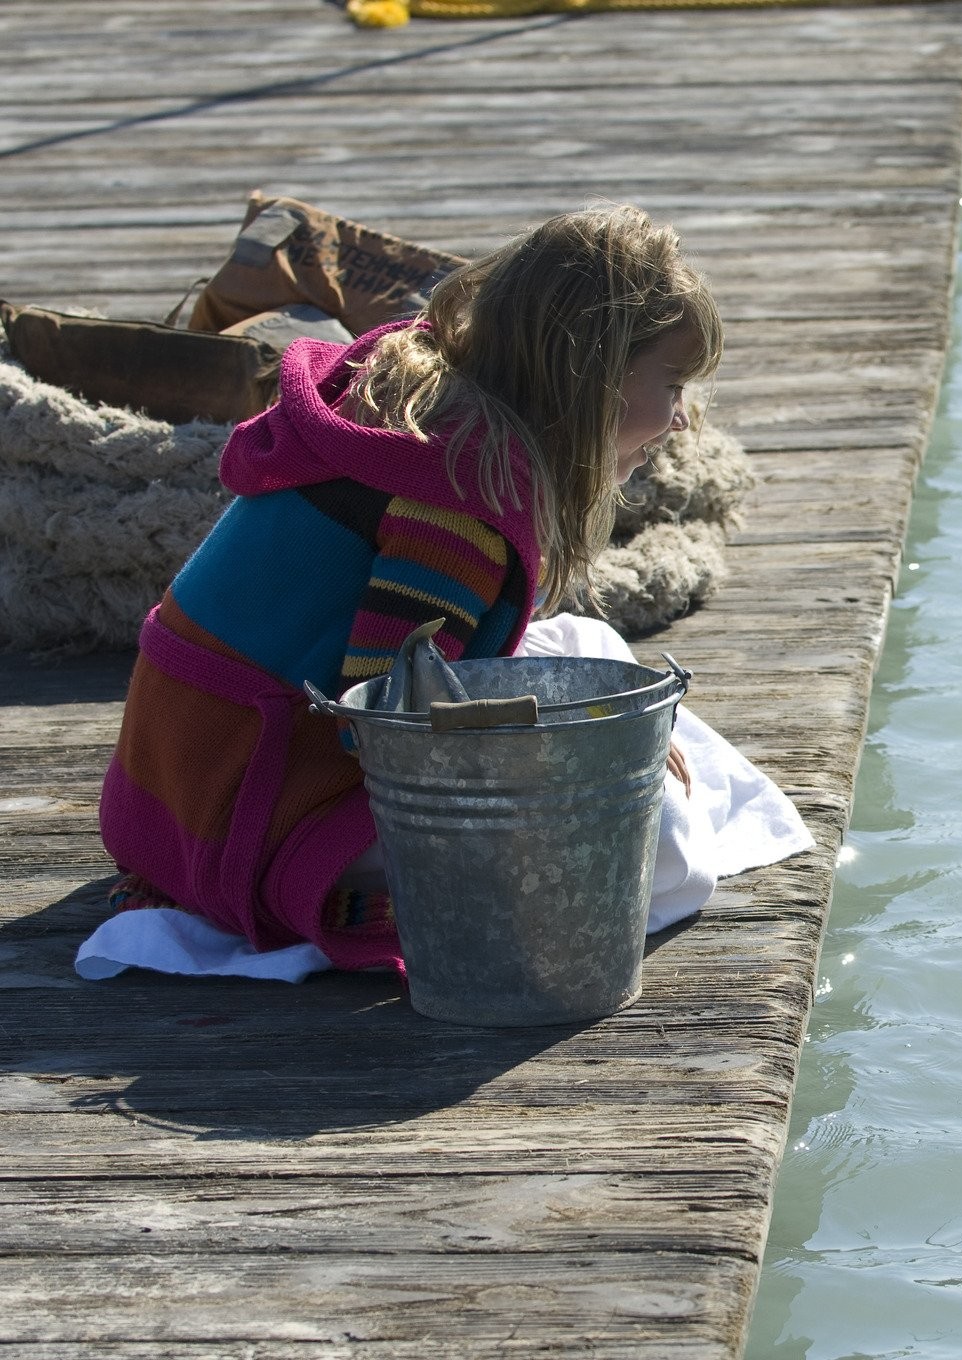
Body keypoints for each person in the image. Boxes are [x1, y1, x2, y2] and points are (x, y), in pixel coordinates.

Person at [96, 204, 780, 976]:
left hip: (173, 781)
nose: (683, 421)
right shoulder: (456, 500)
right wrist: (597, 767)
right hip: (251, 810)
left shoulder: (424, 400)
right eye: (674, 385)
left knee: (588, 645)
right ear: (592, 376)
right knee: (663, 850)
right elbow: (388, 727)